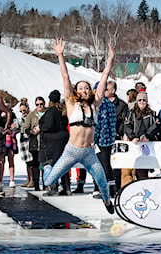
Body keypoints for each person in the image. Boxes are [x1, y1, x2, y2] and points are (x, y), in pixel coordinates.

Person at [44, 38, 114, 213]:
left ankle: (107, 202)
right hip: (71, 151)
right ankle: (46, 167)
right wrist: (60, 55)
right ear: (76, 91)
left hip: (89, 152)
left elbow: (104, 78)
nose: (84, 90)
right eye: (81, 88)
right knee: (48, 181)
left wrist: (111, 59)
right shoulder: (70, 103)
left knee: (102, 181)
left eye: (87, 88)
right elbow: (65, 76)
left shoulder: (95, 104)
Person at [39, 90, 70, 196]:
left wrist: (41, 127)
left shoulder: (51, 111)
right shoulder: (63, 109)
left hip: (52, 140)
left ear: (50, 100)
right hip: (63, 138)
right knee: (63, 163)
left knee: (52, 163)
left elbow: (48, 125)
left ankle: (54, 187)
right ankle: (66, 186)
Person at [124, 91, 160, 180]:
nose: (142, 102)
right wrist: (132, 137)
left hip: (148, 143)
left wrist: (147, 135)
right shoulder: (131, 113)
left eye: (144, 100)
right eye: (139, 100)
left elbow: (156, 125)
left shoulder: (151, 113)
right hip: (135, 143)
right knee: (136, 168)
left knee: (145, 168)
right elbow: (127, 125)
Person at [94, 82, 117, 198]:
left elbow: (98, 123)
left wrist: (94, 138)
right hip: (109, 138)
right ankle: (112, 188)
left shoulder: (100, 104)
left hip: (101, 139)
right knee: (107, 164)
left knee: (102, 165)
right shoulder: (110, 103)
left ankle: (106, 190)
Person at [107, 80, 128, 191]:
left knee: (116, 163)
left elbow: (124, 122)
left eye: (107, 89)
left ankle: (117, 187)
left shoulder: (121, 105)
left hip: (116, 137)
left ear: (113, 91)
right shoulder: (102, 103)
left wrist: (118, 132)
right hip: (104, 137)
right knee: (105, 163)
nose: (105, 91)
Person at [24, 96, 46, 191]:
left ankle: (46, 183)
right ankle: (36, 184)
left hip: (45, 142)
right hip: (34, 142)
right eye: (37, 104)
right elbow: (25, 128)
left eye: (41, 104)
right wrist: (31, 131)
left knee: (45, 164)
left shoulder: (48, 113)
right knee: (35, 164)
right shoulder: (31, 114)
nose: (40, 106)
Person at [0, 97, 19, 188]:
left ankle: (11, 179)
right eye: (5, 104)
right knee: (1, 160)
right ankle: (0, 179)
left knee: (11, 158)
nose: (6, 106)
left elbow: (17, 125)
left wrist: (15, 126)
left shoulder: (13, 114)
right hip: (1, 138)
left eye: (8, 105)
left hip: (10, 137)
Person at [17, 98, 34, 188]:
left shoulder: (31, 116)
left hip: (30, 140)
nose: (23, 112)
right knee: (27, 161)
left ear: (27, 108)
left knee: (31, 161)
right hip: (23, 140)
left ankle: (33, 179)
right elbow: (17, 128)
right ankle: (29, 178)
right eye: (21, 111)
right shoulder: (20, 119)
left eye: (24, 110)